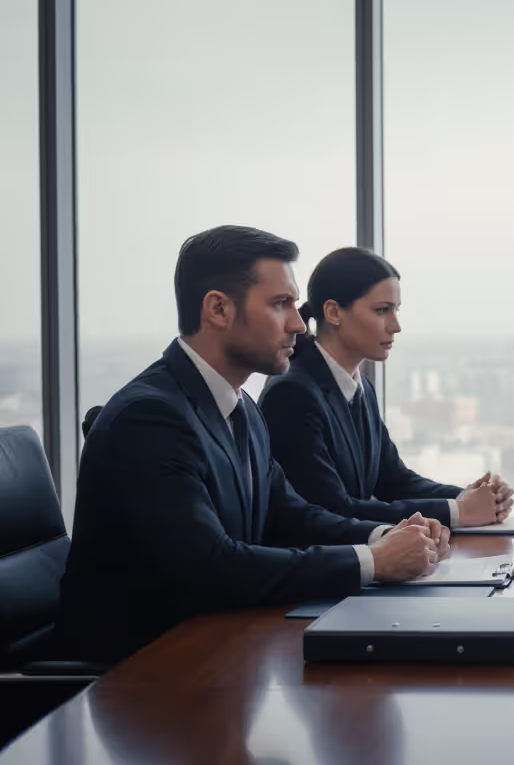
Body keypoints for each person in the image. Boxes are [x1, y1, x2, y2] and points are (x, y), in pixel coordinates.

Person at [59, 226, 448, 664]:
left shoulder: (239, 405)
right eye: (281, 304)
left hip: (219, 652)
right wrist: (373, 561)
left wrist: (386, 536)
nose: (300, 323)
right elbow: (211, 567)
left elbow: (289, 515)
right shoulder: (150, 418)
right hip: (142, 679)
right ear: (218, 309)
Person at [258, 247, 514, 527]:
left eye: (396, 310)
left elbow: (394, 481)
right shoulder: (292, 395)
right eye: (382, 310)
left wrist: (473, 498)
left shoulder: (361, 387)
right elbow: (333, 510)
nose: (395, 326)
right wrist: (458, 511)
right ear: (333, 312)